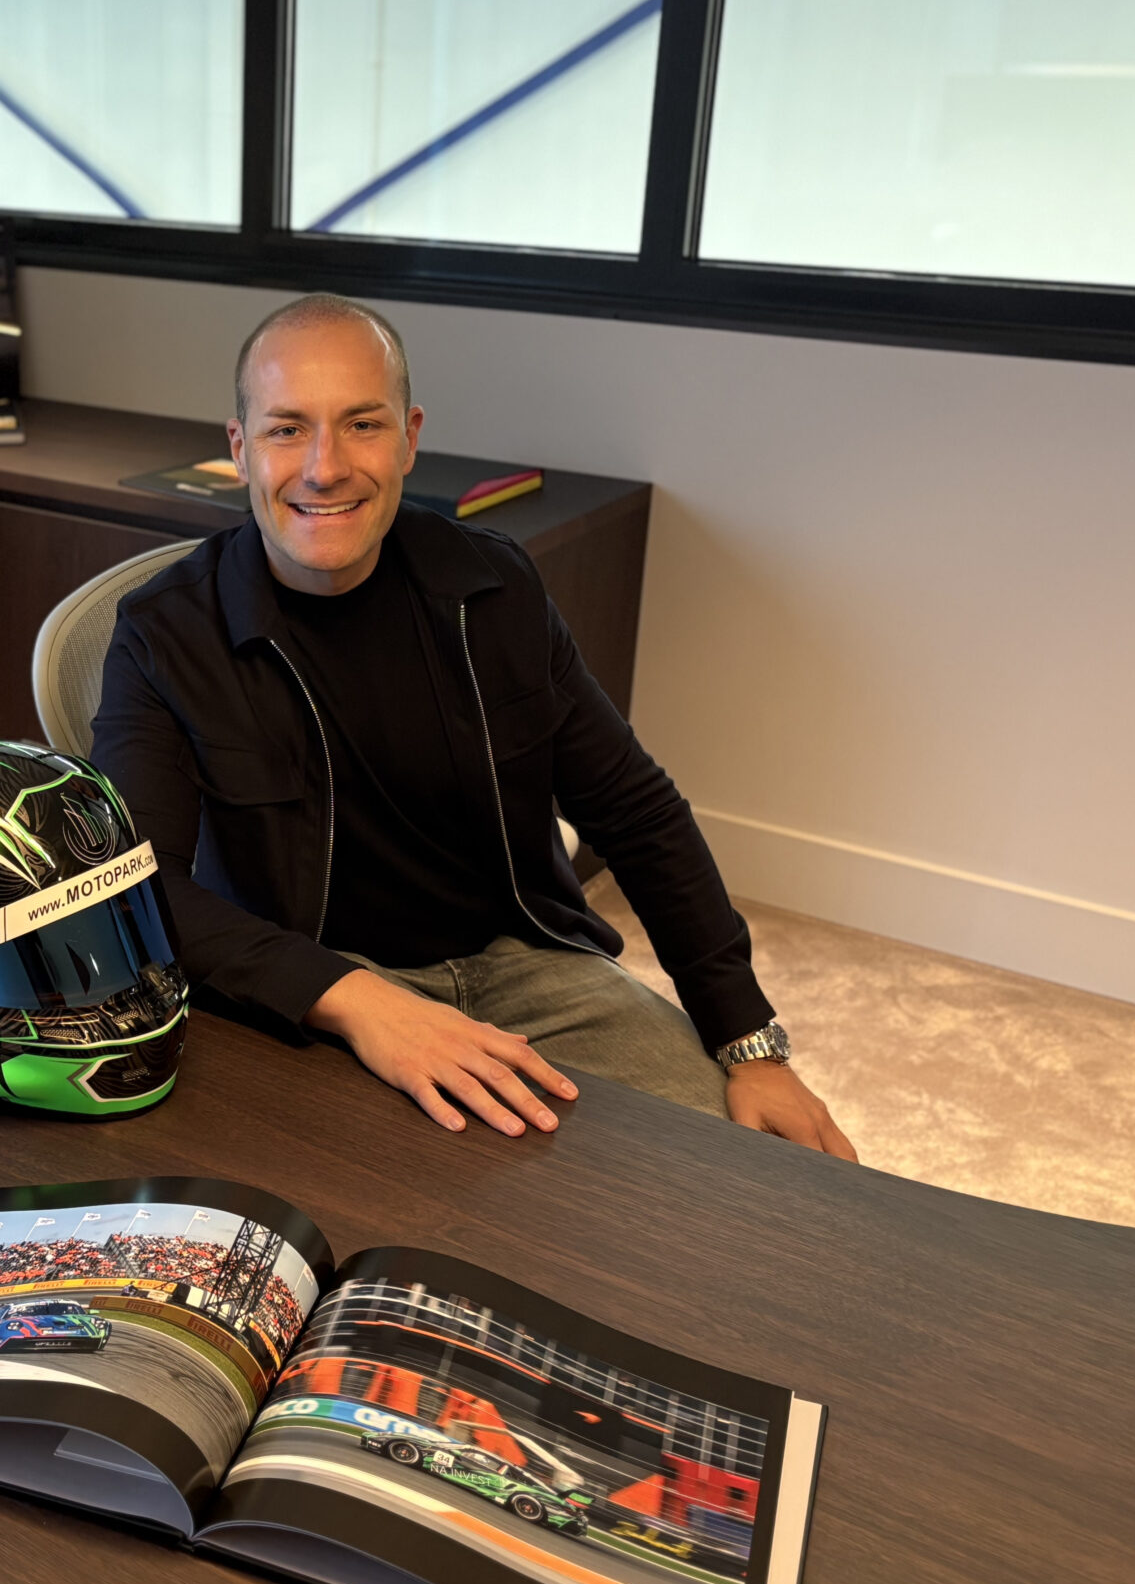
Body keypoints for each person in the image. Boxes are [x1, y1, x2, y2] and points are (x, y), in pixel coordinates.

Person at [90, 293, 856, 1158]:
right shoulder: (165, 632)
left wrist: (748, 1041)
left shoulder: (491, 590)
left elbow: (635, 811)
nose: (324, 467)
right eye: (287, 429)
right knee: (411, 1202)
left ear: (409, 437)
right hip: (315, 986)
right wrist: (358, 1001)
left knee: (738, 1174)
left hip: (524, 963)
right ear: (240, 449)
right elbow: (134, 888)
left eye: (362, 425)